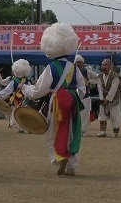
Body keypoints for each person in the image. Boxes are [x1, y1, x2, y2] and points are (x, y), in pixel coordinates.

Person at [21, 23, 86, 176]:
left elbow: (38, 90)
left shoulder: (51, 67)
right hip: (72, 102)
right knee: (72, 131)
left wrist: (24, 89)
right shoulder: (74, 68)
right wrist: (75, 97)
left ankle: (59, 156)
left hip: (56, 101)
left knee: (54, 132)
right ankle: (71, 166)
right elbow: (83, 89)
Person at [0, 59, 32, 133]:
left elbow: (6, 90)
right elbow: (31, 91)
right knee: (23, 113)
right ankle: (24, 127)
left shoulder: (14, 82)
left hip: (17, 100)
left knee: (16, 113)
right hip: (25, 100)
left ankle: (21, 128)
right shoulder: (27, 81)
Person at [96, 58, 121, 138]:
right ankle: (102, 131)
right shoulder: (100, 76)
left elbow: (113, 89)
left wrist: (107, 99)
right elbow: (99, 87)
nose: (103, 67)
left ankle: (115, 132)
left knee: (115, 115)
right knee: (102, 114)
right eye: (103, 65)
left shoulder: (115, 76)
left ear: (110, 66)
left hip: (114, 98)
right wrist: (101, 98)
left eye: (106, 65)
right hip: (103, 98)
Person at [74, 54, 98, 136]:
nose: (78, 64)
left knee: (84, 113)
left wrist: (91, 82)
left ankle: (83, 130)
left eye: (79, 62)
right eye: (76, 62)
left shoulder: (87, 71)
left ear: (83, 63)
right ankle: (75, 129)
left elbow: (97, 77)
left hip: (85, 94)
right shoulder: (72, 71)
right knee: (75, 113)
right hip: (75, 94)